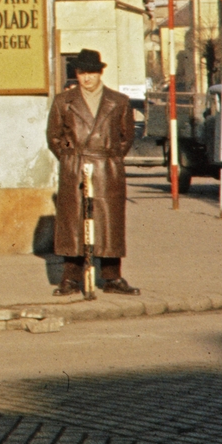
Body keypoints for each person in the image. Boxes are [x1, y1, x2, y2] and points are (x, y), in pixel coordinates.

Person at [47, 48, 139, 296]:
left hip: (106, 168)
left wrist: (110, 158)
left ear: (100, 73)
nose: (87, 78)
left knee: (109, 224)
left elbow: (126, 137)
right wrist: (70, 158)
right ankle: (70, 278)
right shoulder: (63, 101)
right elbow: (54, 137)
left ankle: (112, 277)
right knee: (73, 223)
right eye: (81, 72)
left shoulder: (119, 101)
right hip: (75, 167)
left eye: (91, 72)